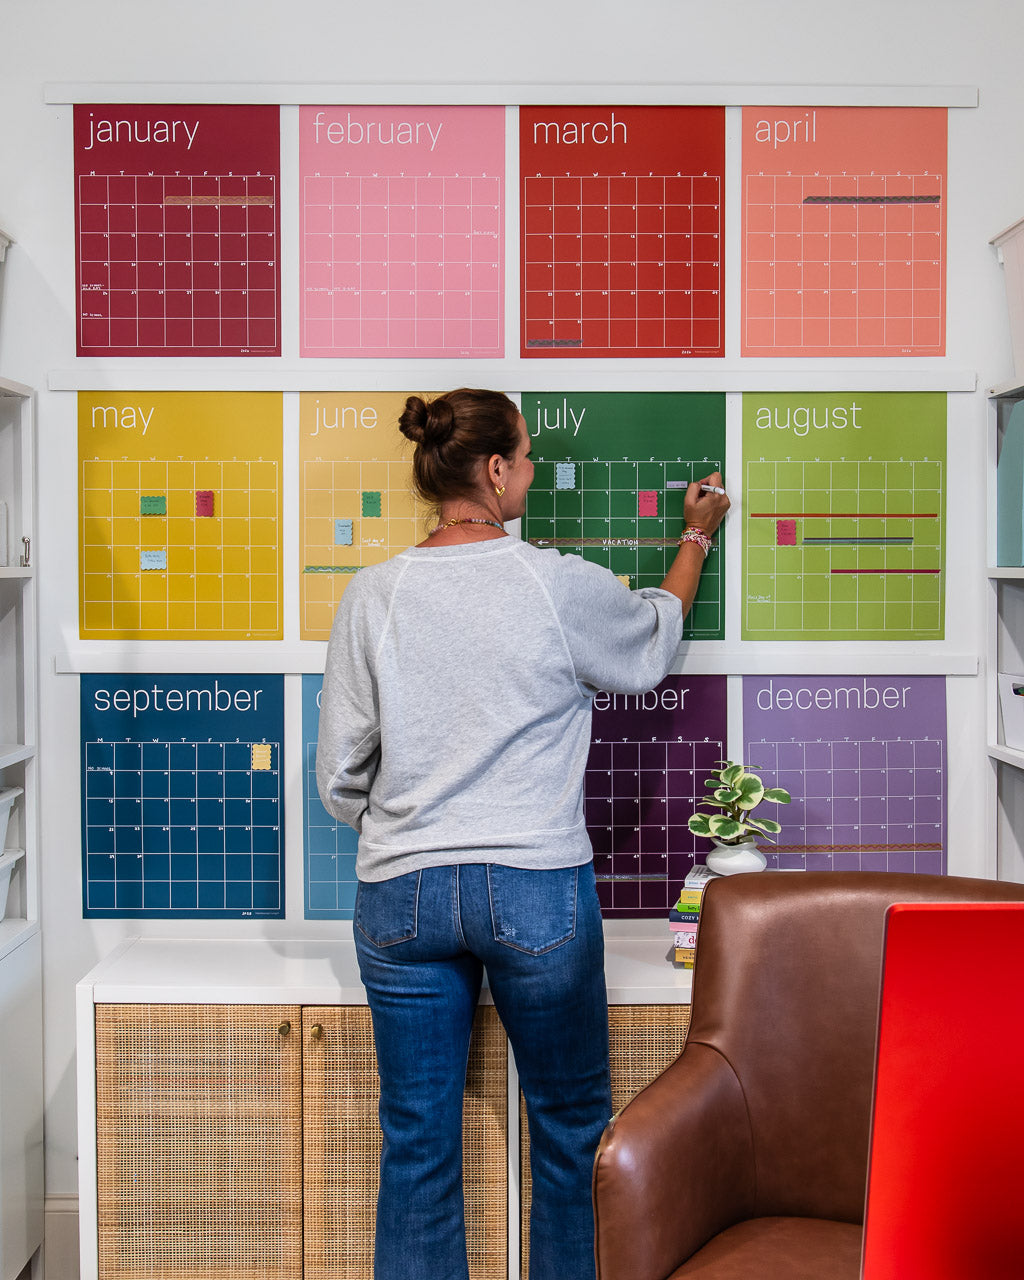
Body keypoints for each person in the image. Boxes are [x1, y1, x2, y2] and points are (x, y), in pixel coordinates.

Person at [316, 388, 729, 1280]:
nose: (534, 474)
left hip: (402, 895)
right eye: (529, 459)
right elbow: (652, 643)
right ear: (496, 471)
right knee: (572, 1125)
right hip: (535, 888)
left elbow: (339, 772)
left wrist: (398, 823)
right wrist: (695, 537)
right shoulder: (554, 582)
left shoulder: (371, 595)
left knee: (417, 1140)